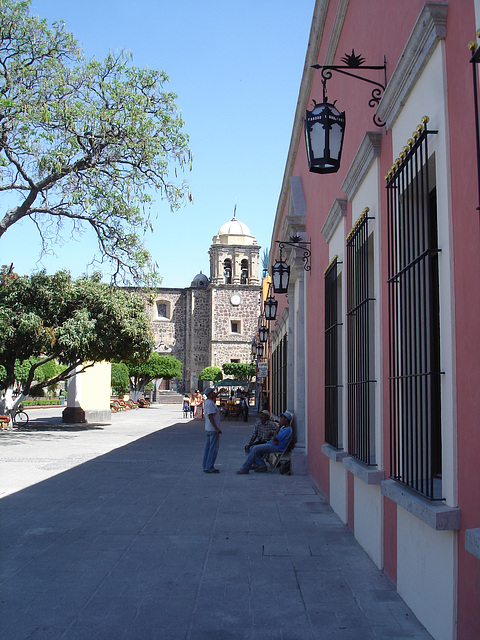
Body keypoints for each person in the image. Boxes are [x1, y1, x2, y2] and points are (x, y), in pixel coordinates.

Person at [203, 387, 222, 473]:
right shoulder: (210, 404)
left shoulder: (207, 402)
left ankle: (205, 465)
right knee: (213, 448)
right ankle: (209, 466)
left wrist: (219, 392)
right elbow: (211, 417)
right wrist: (216, 428)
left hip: (208, 428)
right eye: (213, 392)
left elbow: (213, 396)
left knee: (208, 448)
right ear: (210, 393)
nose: (214, 393)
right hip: (212, 429)